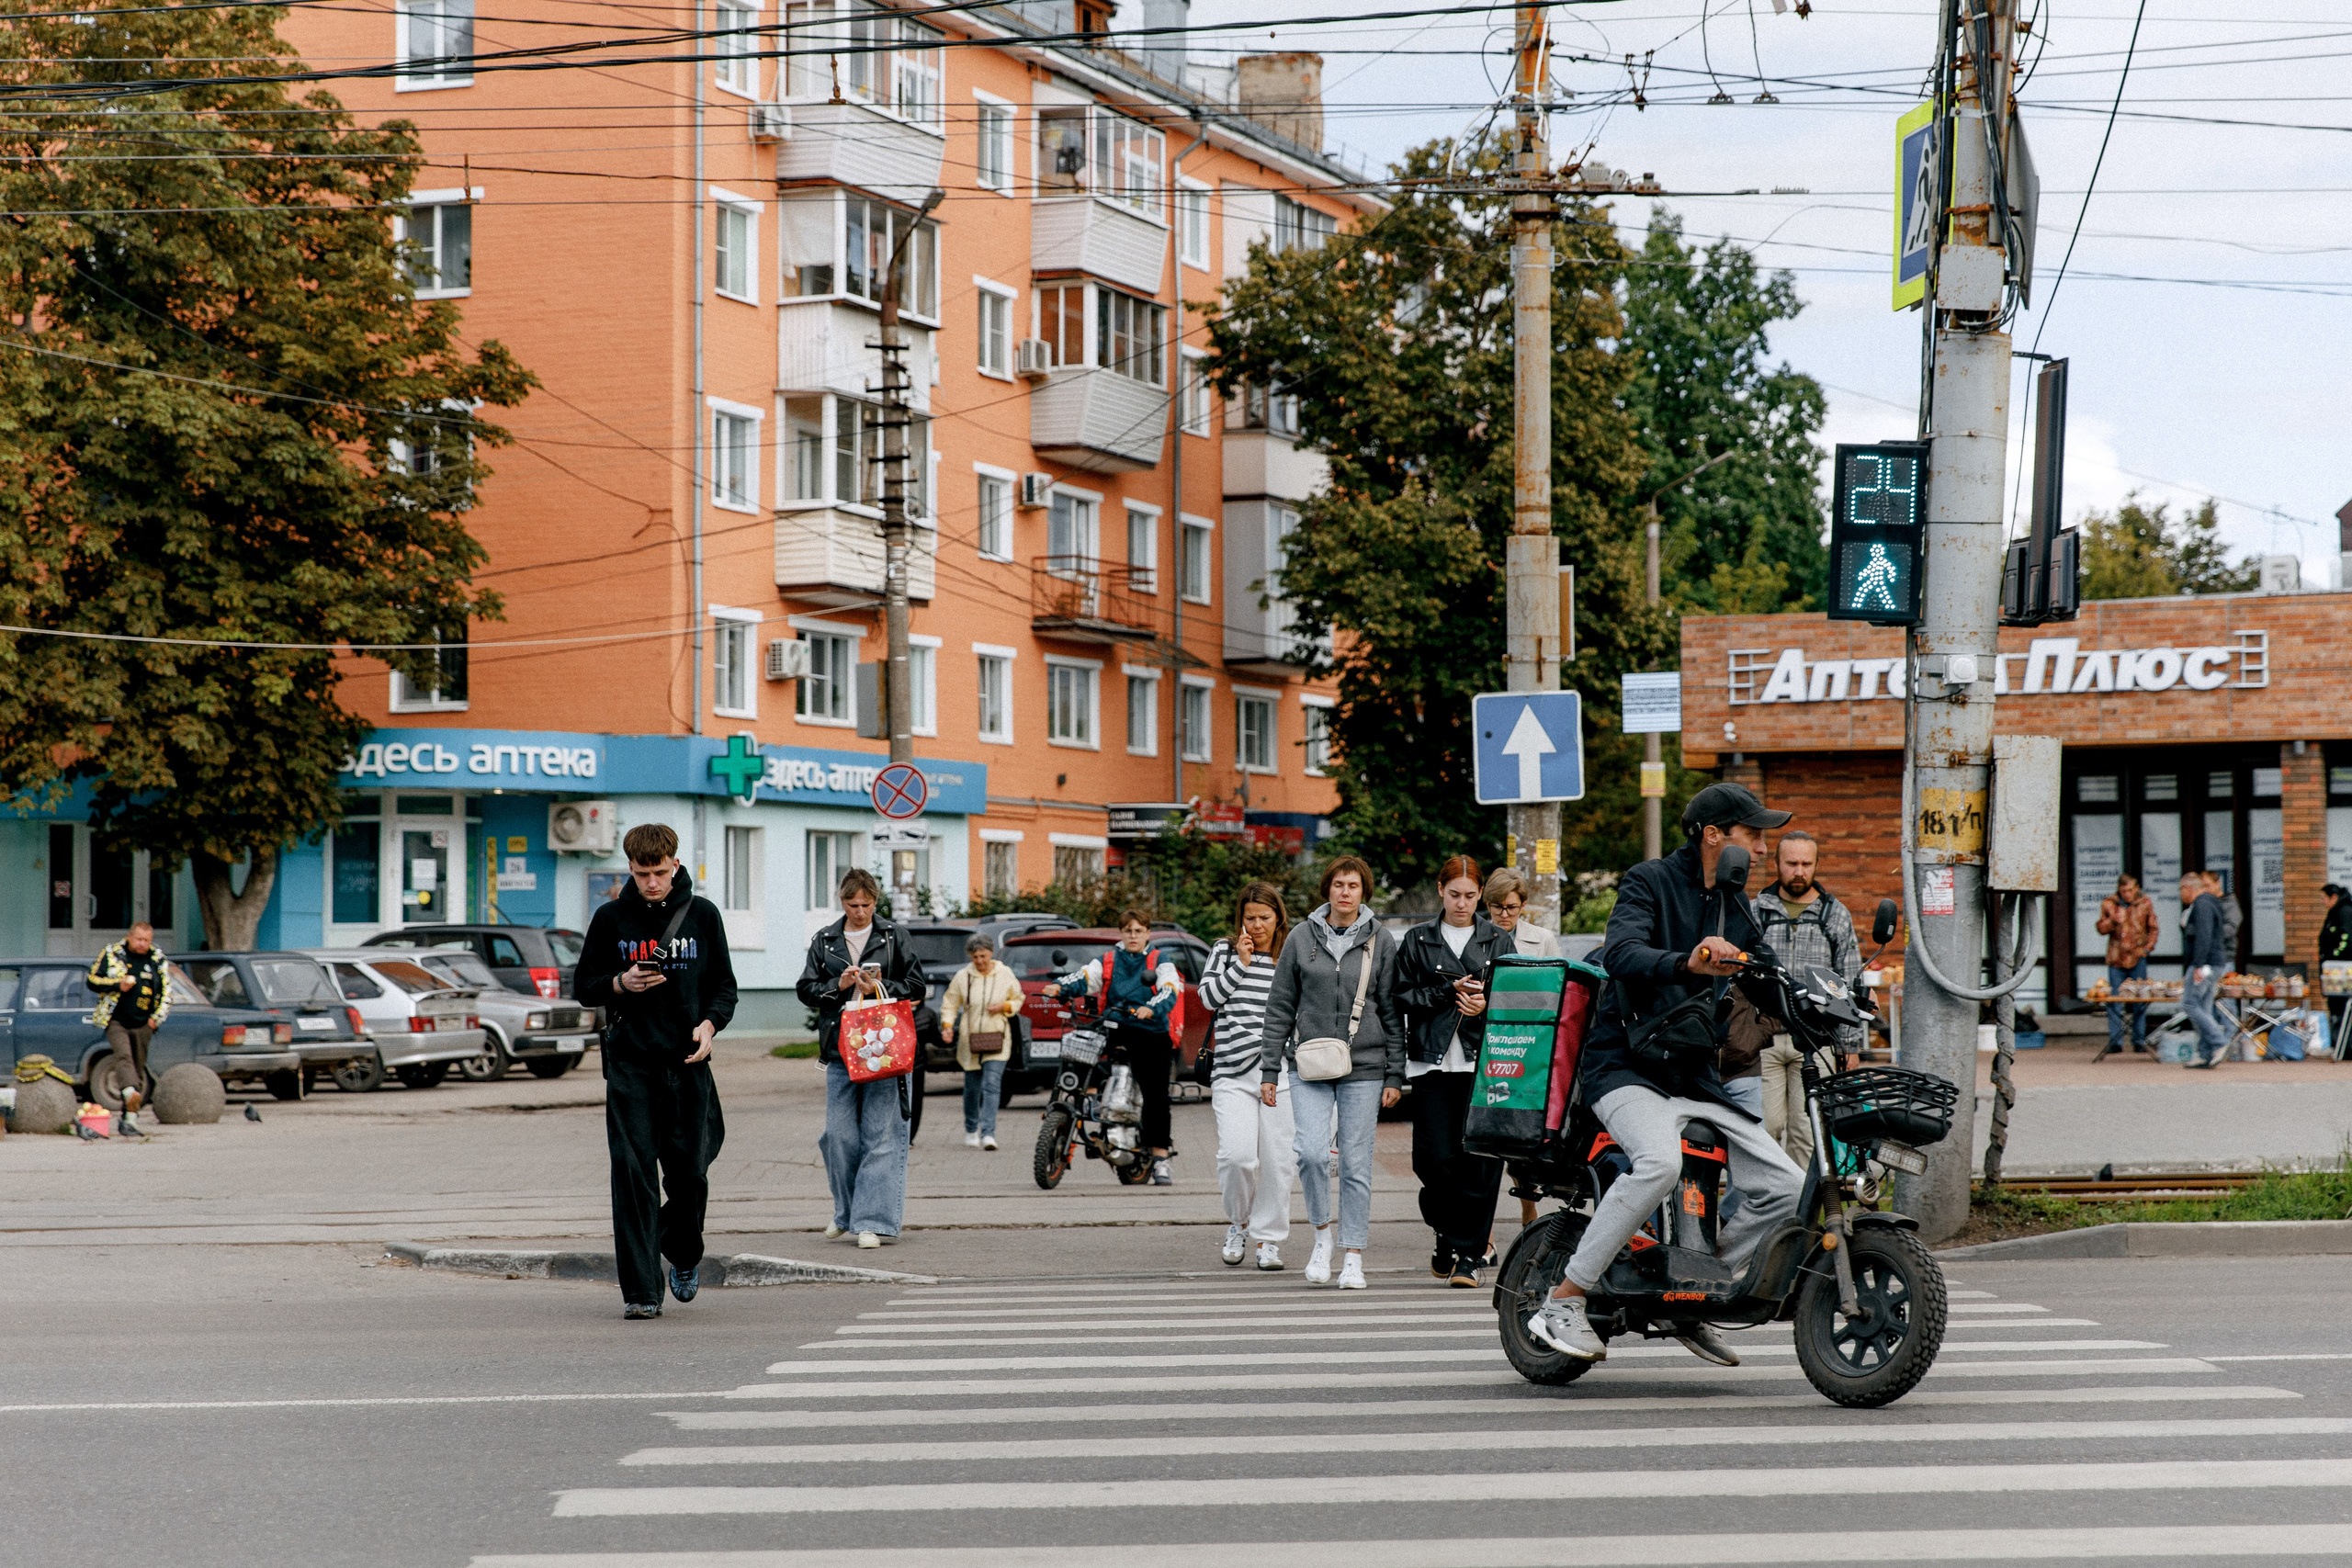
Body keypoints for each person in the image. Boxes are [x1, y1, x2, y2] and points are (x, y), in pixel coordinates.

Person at [1525, 782, 1806, 1367]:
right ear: (1713, 836)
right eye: (1751, 835)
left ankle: (1693, 1288)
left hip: (1692, 1075)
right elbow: (1622, 953)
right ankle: (1565, 1298)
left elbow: (1766, 973)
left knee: (1788, 1189)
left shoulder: (1734, 903)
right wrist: (1689, 962)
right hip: (1625, 1066)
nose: (1761, 849)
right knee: (1660, 1163)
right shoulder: (1648, 881)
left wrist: (1823, 1001)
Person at [574, 824, 738, 1321]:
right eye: (643, 873)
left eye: (660, 873)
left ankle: (683, 1254)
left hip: (688, 1065)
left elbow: (724, 988)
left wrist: (711, 1025)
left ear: (676, 865)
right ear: (630, 868)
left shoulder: (703, 915)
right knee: (632, 1174)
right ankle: (642, 1291)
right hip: (630, 1067)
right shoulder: (610, 918)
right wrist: (621, 983)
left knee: (690, 1173)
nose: (651, 883)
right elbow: (584, 985)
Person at [1259, 855, 1405, 1290]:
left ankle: (1353, 1254)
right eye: (1338, 884)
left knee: (1357, 1163)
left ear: (1364, 893)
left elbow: (1393, 1011)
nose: (1345, 892)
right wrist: (1269, 1068)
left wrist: (1395, 1074)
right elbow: (1280, 1006)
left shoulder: (1381, 941)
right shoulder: (1301, 938)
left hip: (1365, 1067)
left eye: (1353, 886)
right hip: (1309, 1062)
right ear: (1327, 890)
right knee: (1309, 1153)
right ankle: (1322, 1238)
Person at [1396, 855, 1516, 1286]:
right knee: (1432, 1160)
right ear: (1440, 891)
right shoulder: (1418, 939)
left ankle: (1468, 1254)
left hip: (1484, 1062)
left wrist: (1486, 1005)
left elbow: (1517, 1000)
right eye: (1454, 895)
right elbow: (1402, 997)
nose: (1461, 903)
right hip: (1430, 1062)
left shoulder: (1497, 940)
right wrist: (1448, 992)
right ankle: (1445, 1235)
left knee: (1480, 1162)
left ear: (1480, 894)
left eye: (1469, 895)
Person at [795, 868, 927, 1245]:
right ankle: (846, 1213)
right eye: (853, 905)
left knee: (880, 1135)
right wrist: (839, 984)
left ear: (875, 901)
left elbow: (917, 984)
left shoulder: (893, 935)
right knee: (838, 1136)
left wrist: (879, 985)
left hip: (885, 1049)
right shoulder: (826, 939)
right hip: (841, 1050)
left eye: (866, 905)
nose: (860, 912)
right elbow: (805, 990)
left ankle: (871, 1222)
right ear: (842, 901)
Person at [1198, 882, 1295, 1269]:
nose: (1256, 926)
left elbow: (1301, 1009)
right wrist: (1240, 963)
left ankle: (1268, 1240)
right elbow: (1207, 999)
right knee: (1237, 1156)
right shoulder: (1223, 951)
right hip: (1232, 1072)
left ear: (1278, 918)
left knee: (1277, 1161)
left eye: (1264, 918)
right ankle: (1238, 1223)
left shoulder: (1290, 953)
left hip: (1281, 1071)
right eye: (1249, 918)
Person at [1749, 830, 1863, 1160]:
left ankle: (1801, 1208)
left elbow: (1850, 982)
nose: (1799, 871)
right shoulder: (1756, 911)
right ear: (1777, 863)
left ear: (1815, 865)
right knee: (1764, 1127)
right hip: (1765, 1039)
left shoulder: (1835, 914)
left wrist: (1851, 1045)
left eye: (1806, 864)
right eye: (1791, 863)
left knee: (1807, 1130)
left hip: (1817, 1039)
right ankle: (1769, 1205)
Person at [1046, 911, 1182, 1184]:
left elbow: (1170, 988)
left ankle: (1160, 1157)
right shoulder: (1109, 959)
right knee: (1080, 1053)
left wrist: (1151, 1008)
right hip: (1114, 1025)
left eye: (1139, 930)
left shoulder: (1159, 961)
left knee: (1156, 1093)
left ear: (1147, 933)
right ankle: (1090, 1105)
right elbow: (1085, 977)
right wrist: (1059, 987)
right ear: (1121, 933)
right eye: (1128, 930)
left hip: (1149, 1029)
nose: (1133, 935)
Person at [939, 932, 1021, 1150]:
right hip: (970, 1040)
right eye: (975, 957)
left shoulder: (1005, 973)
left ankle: (988, 1134)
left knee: (992, 1085)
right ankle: (971, 1128)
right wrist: (947, 1026)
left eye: (983, 956)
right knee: (972, 1088)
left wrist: (1004, 1007)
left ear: (991, 953)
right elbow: (950, 1002)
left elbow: (1018, 999)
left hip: (998, 1038)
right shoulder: (963, 976)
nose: (980, 961)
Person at [86, 920, 171, 1112]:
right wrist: (118, 984)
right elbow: (92, 980)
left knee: (138, 1066)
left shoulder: (157, 959)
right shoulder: (112, 953)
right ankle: (129, 1092)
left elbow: (167, 992)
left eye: (146, 940)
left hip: (144, 1023)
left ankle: (131, 1115)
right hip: (116, 1019)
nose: (142, 944)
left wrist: (155, 1019)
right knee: (124, 1057)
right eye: (139, 939)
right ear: (129, 937)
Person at [2097, 874, 2160, 1056]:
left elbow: (2153, 928)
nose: (2127, 894)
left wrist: (2147, 949)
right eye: (2123, 891)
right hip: (2116, 959)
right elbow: (2101, 928)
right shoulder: (2109, 904)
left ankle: (2139, 1040)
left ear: (2136, 887)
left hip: (2137, 957)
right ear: (2119, 890)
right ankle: (2116, 1041)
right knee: (2115, 1001)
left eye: (2130, 890)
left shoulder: (2145, 903)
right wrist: (2113, 920)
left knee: (2140, 1000)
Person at [2179, 873, 2233, 1069]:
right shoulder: (2210, 903)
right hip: (2215, 962)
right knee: (2204, 1006)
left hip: (2206, 963)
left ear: (2188, 889)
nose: (2180, 895)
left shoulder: (2201, 905)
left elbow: (2204, 935)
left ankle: (2219, 1042)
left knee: (2190, 1003)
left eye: (2181, 890)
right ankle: (2205, 1054)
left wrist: (2199, 965)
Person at [1483, 866, 1562, 958]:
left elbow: (1558, 972)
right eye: (1497, 907)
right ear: (1488, 906)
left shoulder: (1544, 939)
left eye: (1511, 907)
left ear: (1522, 906)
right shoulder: (1473, 939)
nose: (1504, 915)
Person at [2201, 870, 2243, 967]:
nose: (2205, 890)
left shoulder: (2229, 904)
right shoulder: (2203, 903)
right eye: (2202, 887)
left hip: (2223, 959)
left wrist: (2208, 933)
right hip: (2204, 959)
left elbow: (2231, 928)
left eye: (2207, 885)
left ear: (2218, 883)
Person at [2321, 884, 2352, 965]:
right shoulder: (2334, 912)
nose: (2323, 902)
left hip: (2341, 963)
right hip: (2334, 962)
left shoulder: (2344, 912)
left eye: (2324, 898)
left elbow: (2346, 937)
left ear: (2333, 897)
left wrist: (2334, 955)